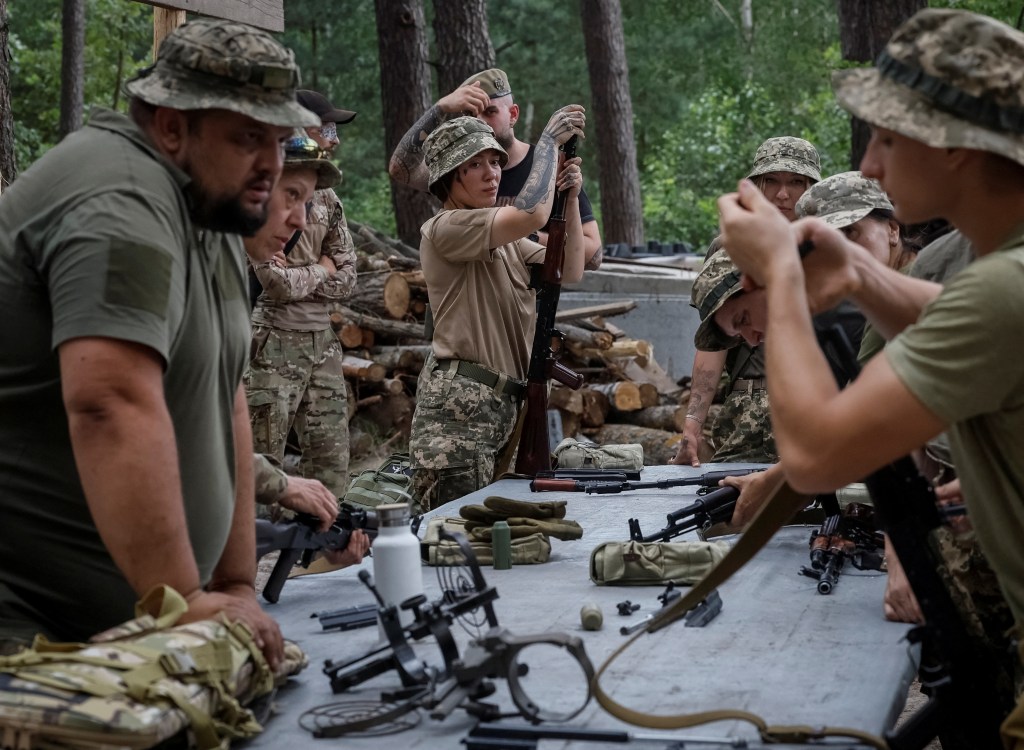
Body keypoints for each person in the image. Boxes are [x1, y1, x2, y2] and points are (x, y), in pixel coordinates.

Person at [716, 9, 1024, 743]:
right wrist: (857, 272)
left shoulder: (1002, 290)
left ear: (953, 147)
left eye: (887, 136)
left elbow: (817, 455)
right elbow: (944, 312)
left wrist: (781, 277)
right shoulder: (1000, 276)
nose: (873, 164)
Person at [0, 18, 318, 668]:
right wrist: (182, 600)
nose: (272, 165)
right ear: (172, 125)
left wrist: (230, 584)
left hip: (127, 635)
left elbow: (224, 398)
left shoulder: (209, 209)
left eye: (281, 142)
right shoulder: (120, 200)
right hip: (34, 645)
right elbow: (108, 404)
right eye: (249, 138)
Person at [409, 110, 589, 511]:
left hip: (499, 405)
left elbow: (571, 267)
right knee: (448, 537)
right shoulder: (447, 227)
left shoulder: (505, 239)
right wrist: (547, 145)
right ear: (447, 177)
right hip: (460, 411)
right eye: (474, 165)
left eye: (494, 162)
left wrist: (570, 200)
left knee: (484, 537)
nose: (491, 173)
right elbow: (531, 214)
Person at [672, 137, 823, 467]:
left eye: (796, 182)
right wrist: (693, 427)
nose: (783, 194)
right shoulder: (730, 247)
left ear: (812, 187)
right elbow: (714, 344)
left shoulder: (831, 247)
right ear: (756, 186)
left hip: (817, 403)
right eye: (772, 182)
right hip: (748, 408)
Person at [246, 91, 358, 500]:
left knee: (332, 465)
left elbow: (348, 279)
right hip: (273, 341)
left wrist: (304, 275)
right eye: (326, 128)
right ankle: (260, 558)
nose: (335, 139)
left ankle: (324, 559)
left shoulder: (327, 198)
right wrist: (321, 269)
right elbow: (273, 282)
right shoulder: (265, 193)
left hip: (322, 345)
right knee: (264, 469)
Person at [388, 68, 603, 268]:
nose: (480, 122)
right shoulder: (453, 175)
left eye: (489, 112)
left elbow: (591, 258)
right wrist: (440, 108)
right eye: (472, 116)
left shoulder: (547, 167)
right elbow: (401, 168)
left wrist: (523, 235)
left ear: (513, 114)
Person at [794, 171, 917, 365]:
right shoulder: (883, 292)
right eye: (828, 242)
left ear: (892, 230)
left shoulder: (914, 283)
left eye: (849, 231)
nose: (839, 250)